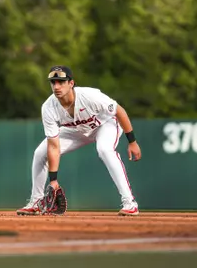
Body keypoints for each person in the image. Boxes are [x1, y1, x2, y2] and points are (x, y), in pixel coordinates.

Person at [16, 65, 142, 216]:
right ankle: (36, 201)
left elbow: (119, 111)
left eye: (61, 82)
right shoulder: (48, 107)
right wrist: (53, 181)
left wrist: (132, 141)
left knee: (104, 149)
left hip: (105, 124)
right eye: (53, 82)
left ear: (71, 83)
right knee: (40, 153)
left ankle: (129, 202)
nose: (56, 86)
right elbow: (54, 146)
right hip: (76, 130)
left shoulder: (89, 96)